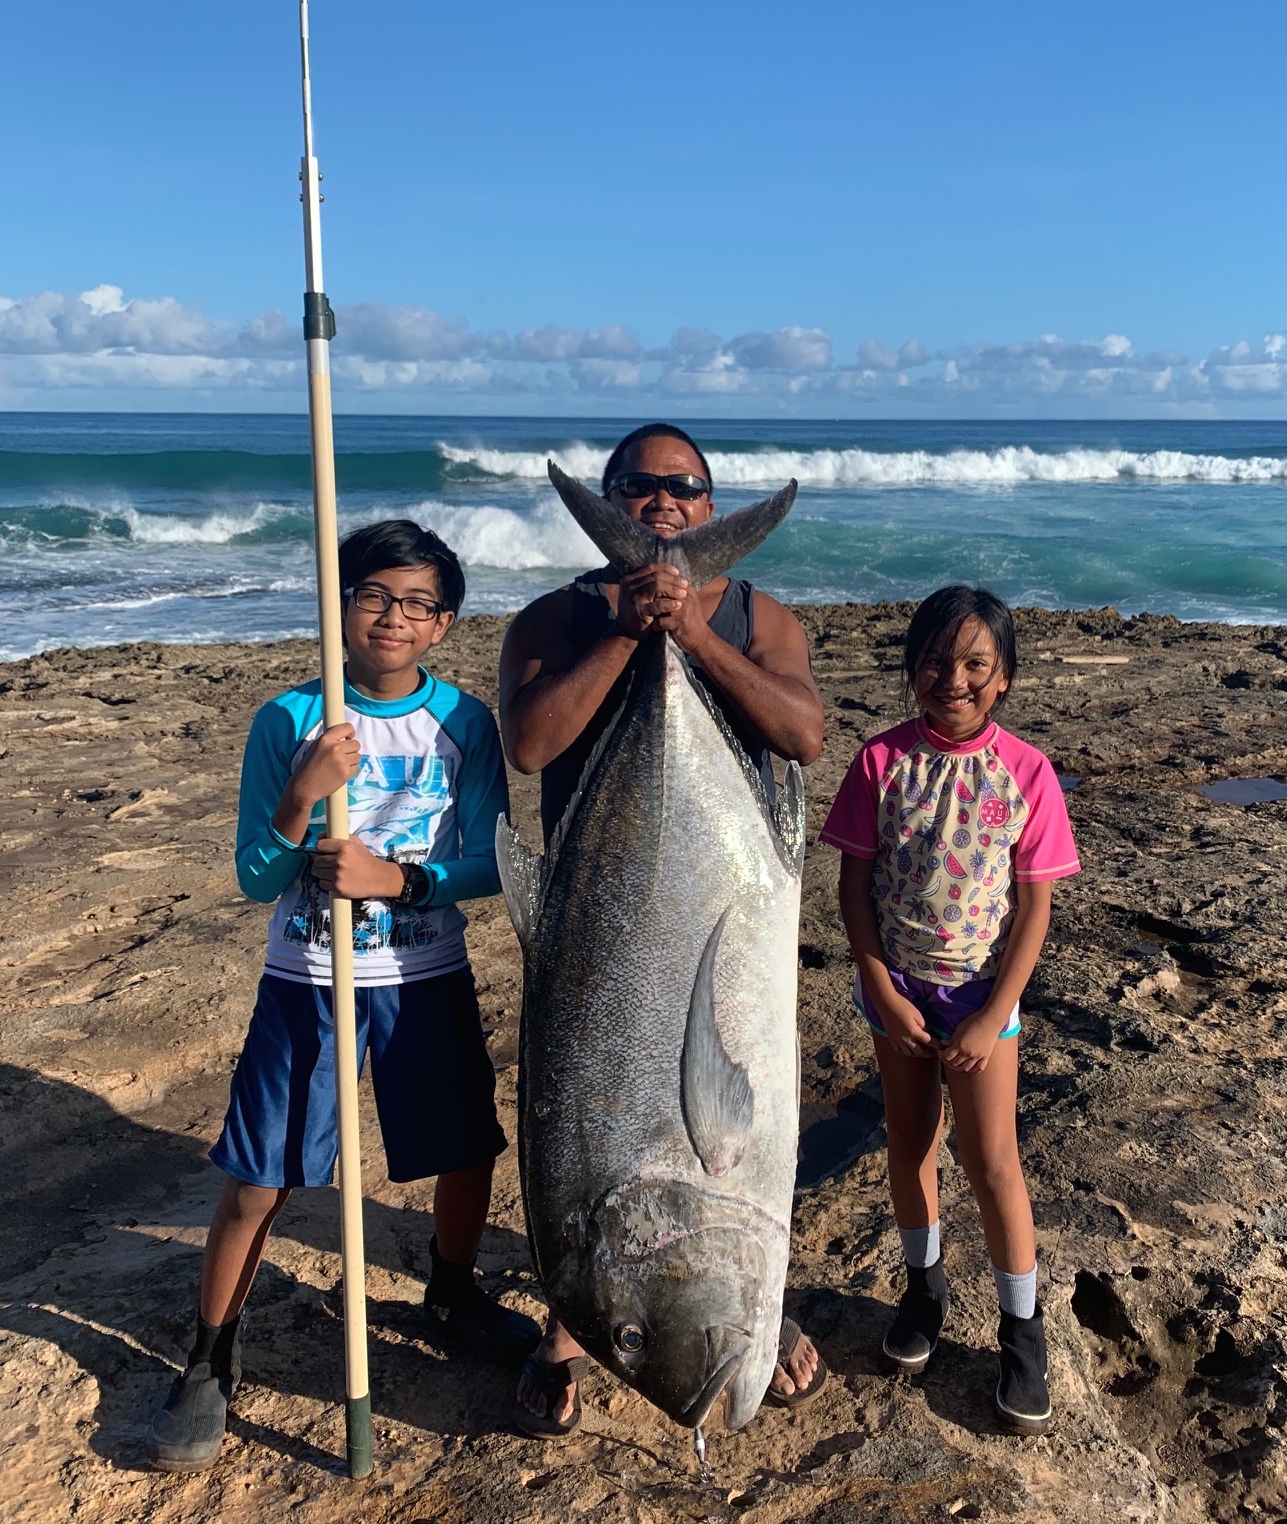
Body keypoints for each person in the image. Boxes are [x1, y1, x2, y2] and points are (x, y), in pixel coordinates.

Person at [147, 519, 539, 1473]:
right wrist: (302, 793)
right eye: (373, 597)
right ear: (340, 603)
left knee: (461, 1146)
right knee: (262, 1172)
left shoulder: (466, 723)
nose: (392, 618)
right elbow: (253, 873)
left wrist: (396, 880)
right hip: (307, 978)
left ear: (444, 623)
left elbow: (486, 863)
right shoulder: (291, 719)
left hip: (423, 972)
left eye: (416, 605)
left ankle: (450, 1293)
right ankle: (209, 1356)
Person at [499, 421, 828, 1437]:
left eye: (682, 488)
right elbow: (530, 741)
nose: (661, 504)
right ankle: (570, 1326)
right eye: (636, 488)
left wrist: (689, 633)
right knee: (609, 1115)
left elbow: (803, 735)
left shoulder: (760, 614)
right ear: (610, 499)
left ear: (708, 501)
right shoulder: (551, 619)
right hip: (599, 908)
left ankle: (762, 1295)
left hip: (728, 876)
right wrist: (628, 632)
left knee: (748, 1102)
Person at [819, 586, 1079, 1432]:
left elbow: (1034, 906)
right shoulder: (879, 762)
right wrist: (880, 988)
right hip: (897, 993)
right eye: (935, 660)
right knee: (908, 1147)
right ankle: (922, 1289)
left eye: (974, 663)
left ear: (1002, 677)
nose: (952, 678)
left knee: (992, 1162)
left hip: (980, 998)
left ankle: (1020, 1328)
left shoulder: (1026, 771)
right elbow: (852, 887)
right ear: (910, 669)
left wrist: (992, 1009)